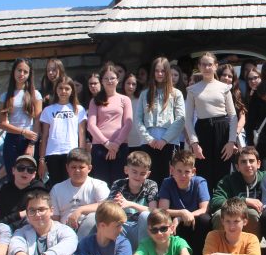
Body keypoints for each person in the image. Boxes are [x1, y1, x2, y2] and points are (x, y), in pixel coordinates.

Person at [185, 52, 239, 191]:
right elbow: (188, 119)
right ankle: (205, 201)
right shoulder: (192, 90)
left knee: (222, 171)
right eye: (204, 64)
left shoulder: (224, 87)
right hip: (202, 130)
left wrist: (231, 141)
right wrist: (194, 143)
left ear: (215, 66)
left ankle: (222, 201)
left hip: (222, 129)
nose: (207, 67)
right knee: (204, 170)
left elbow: (233, 115)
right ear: (199, 66)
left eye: (210, 64)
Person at [134, 56, 186, 185]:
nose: (160, 74)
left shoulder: (176, 94)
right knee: (148, 178)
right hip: (148, 142)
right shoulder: (145, 94)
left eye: (163, 71)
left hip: (169, 142)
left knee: (167, 178)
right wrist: (149, 139)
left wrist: (165, 139)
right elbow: (138, 119)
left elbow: (180, 119)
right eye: (157, 71)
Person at [157, 149, 211, 255]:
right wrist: (181, 213)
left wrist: (182, 217)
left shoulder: (199, 182)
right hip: (175, 224)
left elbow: (204, 208)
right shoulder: (167, 183)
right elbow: (162, 210)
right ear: (172, 170)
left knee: (205, 219)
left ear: (193, 172)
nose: (183, 175)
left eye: (187, 171)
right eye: (179, 171)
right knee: (164, 221)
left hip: (195, 222)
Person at [87, 64, 133, 185]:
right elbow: (91, 125)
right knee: (101, 183)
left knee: (119, 183)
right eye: (106, 78)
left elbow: (128, 123)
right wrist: (107, 143)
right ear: (102, 81)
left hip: (120, 146)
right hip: (100, 146)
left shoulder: (125, 99)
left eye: (112, 78)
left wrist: (116, 144)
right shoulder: (95, 100)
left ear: (118, 80)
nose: (109, 81)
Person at [38, 75, 87, 188]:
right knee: (56, 187)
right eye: (60, 88)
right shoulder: (48, 110)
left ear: (72, 91)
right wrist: (41, 159)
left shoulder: (79, 109)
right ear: (56, 89)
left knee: (72, 185)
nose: (63, 91)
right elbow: (44, 136)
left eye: (67, 88)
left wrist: (82, 154)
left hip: (72, 152)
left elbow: (82, 133)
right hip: (52, 153)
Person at [0, 58, 43, 178]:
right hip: (12, 139)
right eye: (19, 70)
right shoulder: (5, 96)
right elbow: (2, 123)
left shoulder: (35, 94)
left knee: (30, 175)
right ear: (14, 71)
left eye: (25, 72)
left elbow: (38, 120)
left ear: (29, 74)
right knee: (13, 176)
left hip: (30, 139)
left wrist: (32, 144)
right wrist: (22, 131)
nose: (21, 74)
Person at [49, 148, 110, 235]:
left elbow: (108, 206)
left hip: (92, 232)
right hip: (64, 231)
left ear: (89, 168)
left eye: (81, 167)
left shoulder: (98, 185)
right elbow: (55, 217)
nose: (77, 171)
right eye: (73, 167)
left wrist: (80, 210)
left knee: (92, 217)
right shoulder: (57, 189)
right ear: (67, 168)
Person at [209, 146, 266, 236]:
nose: (248, 165)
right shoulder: (227, 181)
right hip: (232, 215)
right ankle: (222, 243)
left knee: (252, 214)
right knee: (219, 215)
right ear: (237, 167)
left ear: (258, 164)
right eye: (243, 162)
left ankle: (252, 243)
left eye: (251, 161)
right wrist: (244, 201)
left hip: (257, 217)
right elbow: (215, 202)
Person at [106, 149, 158, 248]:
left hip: (140, 228)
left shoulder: (151, 185)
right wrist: (116, 204)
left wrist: (130, 204)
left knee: (146, 215)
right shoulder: (119, 184)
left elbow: (153, 210)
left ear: (148, 174)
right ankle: (116, 251)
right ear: (126, 170)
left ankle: (143, 252)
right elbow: (108, 207)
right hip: (122, 226)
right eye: (134, 172)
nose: (138, 176)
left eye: (142, 173)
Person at [0, 154, 47, 230]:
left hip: (31, 230)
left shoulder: (39, 190)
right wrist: (19, 215)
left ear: (34, 174)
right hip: (4, 231)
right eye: (21, 168)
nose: (25, 172)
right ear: (13, 170)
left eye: (30, 170)